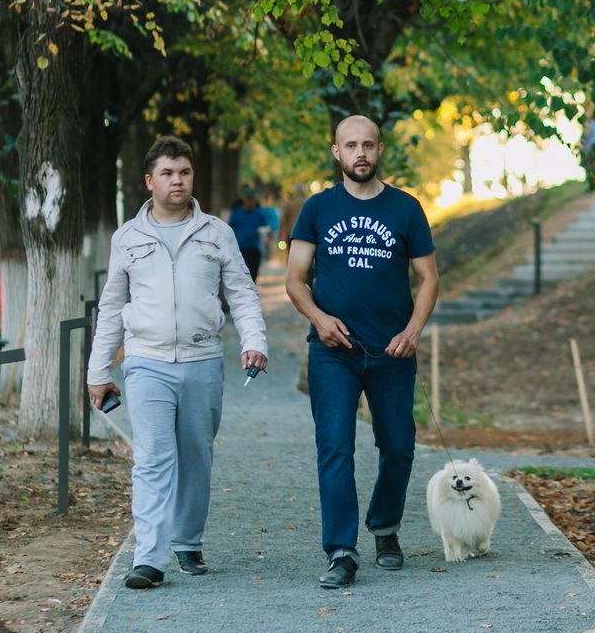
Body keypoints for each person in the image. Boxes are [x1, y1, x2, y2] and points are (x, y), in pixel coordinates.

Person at [87, 136, 267, 589]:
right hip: (146, 361)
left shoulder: (217, 233)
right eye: (167, 173)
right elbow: (111, 307)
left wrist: (255, 342)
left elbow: (242, 293)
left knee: (195, 455)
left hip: (203, 359)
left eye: (184, 172)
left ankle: (188, 540)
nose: (177, 181)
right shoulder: (127, 238)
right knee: (152, 458)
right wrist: (98, 370)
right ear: (149, 181)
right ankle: (149, 557)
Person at [285, 115, 440, 589]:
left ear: (379, 150)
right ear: (336, 153)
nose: (360, 154)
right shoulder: (316, 208)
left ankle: (386, 527)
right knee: (335, 446)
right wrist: (318, 318)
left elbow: (429, 278)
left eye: (368, 145)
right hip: (335, 351)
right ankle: (341, 550)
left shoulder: (406, 209)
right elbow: (294, 278)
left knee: (398, 445)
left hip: (393, 349)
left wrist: (414, 330)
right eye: (350, 146)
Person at [226, 188, 267, 282]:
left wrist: (263, 231)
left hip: (253, 249)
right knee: (240, 277)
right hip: (239, 250)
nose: (250, 202)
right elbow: (229, 229)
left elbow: (266, 227)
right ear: (244, 199)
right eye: (248, 199)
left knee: (253, 277)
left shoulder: (258, 213)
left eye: (252, 199)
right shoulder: (236, 212)